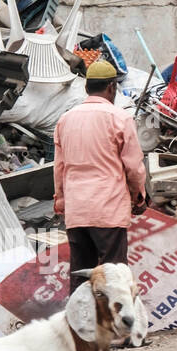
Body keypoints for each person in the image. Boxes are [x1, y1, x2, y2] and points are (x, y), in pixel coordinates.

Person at [54, 59, 147, 294]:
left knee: (81, 277)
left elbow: (59, 167)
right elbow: (134, 167)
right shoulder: (120, 118)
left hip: (77, 212)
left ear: (87, 87)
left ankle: (80, 326)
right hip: (108, 211)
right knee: (114, 276)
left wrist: (61, 201)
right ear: (111, 87)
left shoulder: (65, 120)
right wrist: (139, 196)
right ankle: (116, 329)